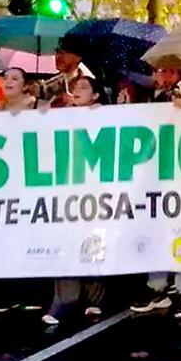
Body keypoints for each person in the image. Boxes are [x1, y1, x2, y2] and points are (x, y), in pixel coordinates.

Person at [42, 75, 109, 325]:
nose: (77, 90)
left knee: (93, 242)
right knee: (67, 242)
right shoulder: (62, 115)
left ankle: (95, 299)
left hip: (95, 191)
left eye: (84, 87)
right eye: (76, 86)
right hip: (68, 190)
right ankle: (64, 301)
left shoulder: (105, 116)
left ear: (95, 96)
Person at [131, 74, 181, 319]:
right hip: (155, 177)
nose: (163, 77)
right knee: (155, 232)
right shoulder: (147, 98)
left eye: (170, 71)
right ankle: (157, 288)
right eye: (159, 71)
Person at [43, 38, 93, 105]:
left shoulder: (88, 85)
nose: (58, 56)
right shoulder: (48, 84)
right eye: (57, 52)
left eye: (63, 53)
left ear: (78, 57)